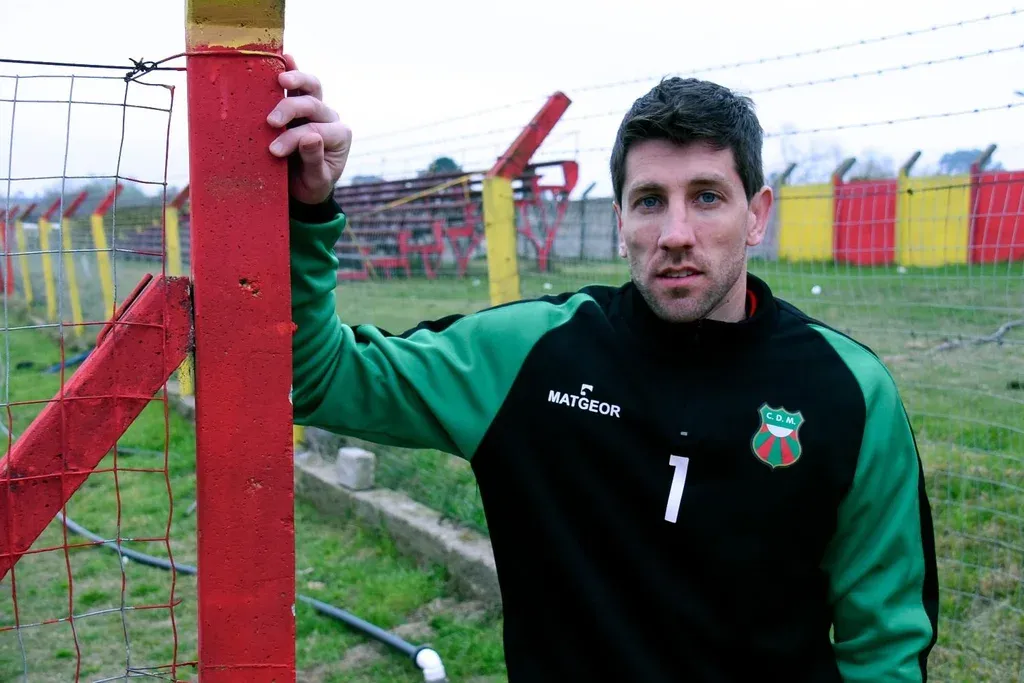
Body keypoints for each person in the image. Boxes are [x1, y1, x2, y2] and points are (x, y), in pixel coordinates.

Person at [268, 55, 939, 682]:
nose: (675, 233)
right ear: (620, 222)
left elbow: (884, 645)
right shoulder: (528, 355)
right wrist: (305, 209)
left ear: (756, 215)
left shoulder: (850, 392)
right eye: (650, 201)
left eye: (707, 196)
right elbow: (317, 377)